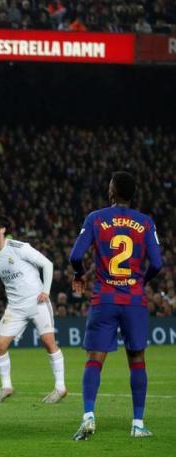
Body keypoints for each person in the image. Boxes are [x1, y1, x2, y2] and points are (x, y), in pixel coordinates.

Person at [69, 171, 162, 440]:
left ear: (111, 192)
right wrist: (141, 281)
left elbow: (75, 255)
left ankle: (88, 416)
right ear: (132, 195)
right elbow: (157, 263)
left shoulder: (96, 218)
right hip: (133, 299)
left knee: (94, 359)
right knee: (137, 360)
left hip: (105, 298)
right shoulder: (145, 222)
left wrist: (79, 274)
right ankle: (137, 424)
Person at [0, 215, 66, 404]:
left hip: (37, 301)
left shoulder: (20, 248)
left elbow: (47, 264)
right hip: (15, 307)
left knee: (48, 342)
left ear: (2, 229)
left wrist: (46, 291)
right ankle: (6, 386)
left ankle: (60, 387)